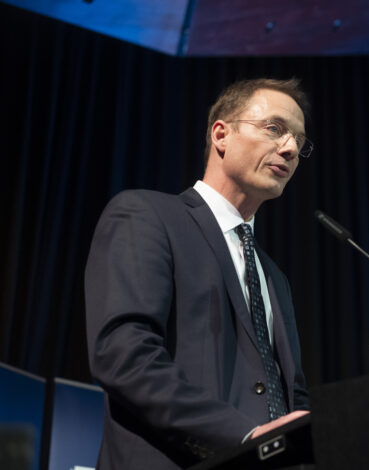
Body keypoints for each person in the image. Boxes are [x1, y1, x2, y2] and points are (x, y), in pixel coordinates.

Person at [85, 78, 312, 469]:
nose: (290, 148)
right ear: (221, 135)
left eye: (299, 140)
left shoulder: (275, 277)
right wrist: (244, 437)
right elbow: (125, 356)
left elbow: (293, 394)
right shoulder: (147, 216)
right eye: (274, 129)